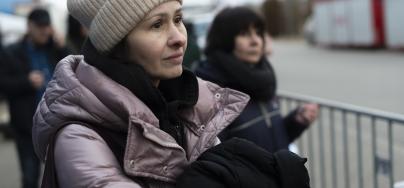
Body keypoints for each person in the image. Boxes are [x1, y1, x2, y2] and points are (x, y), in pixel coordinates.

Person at [32, 0, 249, 187]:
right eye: (157, 24)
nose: (179, 38)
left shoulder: (183, 107)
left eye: (178, 19)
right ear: (117, 43)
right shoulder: (79, 137)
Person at [195, 7, 319, 153]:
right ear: (224, 39)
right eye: (244, 34)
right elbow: (218, 161)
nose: (255, 41)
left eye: (258, 33)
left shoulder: (261, 81)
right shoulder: (211, 93)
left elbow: (271, 138)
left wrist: (296, 121)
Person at [0, 8, 70, 188]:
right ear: (29, 26)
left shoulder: (55, 48)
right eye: (40, 26)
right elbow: (4, 84)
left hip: (56, 124)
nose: (44, 31)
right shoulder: (11, 52)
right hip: (27, 126)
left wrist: (62, 46)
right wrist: (26, 81)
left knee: (62, 176)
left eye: (47, 26)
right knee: (30, 177)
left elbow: (77, 69)